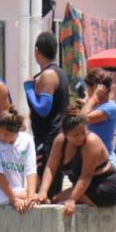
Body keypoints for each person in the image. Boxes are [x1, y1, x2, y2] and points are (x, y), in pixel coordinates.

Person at [38, 115, 116, 213]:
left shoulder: (91, 142)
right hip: (84, 186)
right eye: (75, 135)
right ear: (65, 134)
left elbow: (86, 175)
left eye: (83, 133)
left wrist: (72, 199)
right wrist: (43, 191)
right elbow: (50, 167)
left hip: (105, 186)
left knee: (59, 200)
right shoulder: (60, 141)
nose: (80, 138)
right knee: (53, 200)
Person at [26, 32, 70, 177]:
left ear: (36, 51)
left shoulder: (49, 75)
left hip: (49, 139)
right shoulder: (59, 72)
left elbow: (43, 109)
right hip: (54, 136)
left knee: (46, 186)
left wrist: (29, 90)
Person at [0, 109, 38, 212]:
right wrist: (14, 200)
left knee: (36, 198)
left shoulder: (27, 140)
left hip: (17, 190)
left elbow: (31, 170)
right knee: (29, 196)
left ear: (17, 132)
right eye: (0, 132)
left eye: (7, 134)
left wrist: (31, 195)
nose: (2, 136)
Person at [81, 68, 116, 160]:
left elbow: (82, 119)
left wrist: (94, 97)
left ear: (95, 88)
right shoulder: (96, 105)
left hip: (103, 158)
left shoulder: (110, 107)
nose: (87, 91)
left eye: (88, 87)